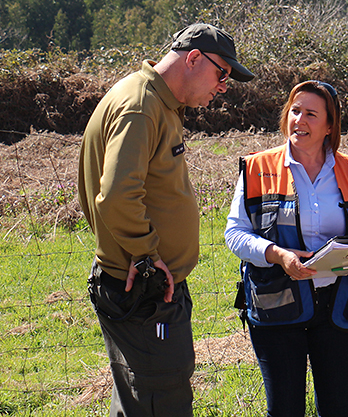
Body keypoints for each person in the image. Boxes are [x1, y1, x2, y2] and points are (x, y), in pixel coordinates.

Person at [79, 22, 255, 416]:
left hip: (147, 286)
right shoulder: (141, 107)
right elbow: (118, 195)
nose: (224, 85)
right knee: (162, 398)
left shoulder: (157, 103)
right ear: (193, 58)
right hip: (143, 289)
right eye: (221, 73)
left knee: (140, 397)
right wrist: (145, 255)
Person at [225, 80, 348, 417]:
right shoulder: (257, 168)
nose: (300, 120)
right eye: (295, 111)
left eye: (311, 114)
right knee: (285, 409)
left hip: (338, 306)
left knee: (338, 407)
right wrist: (278, 255)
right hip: (277, 304)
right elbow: (235, 234)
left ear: (330, 126)